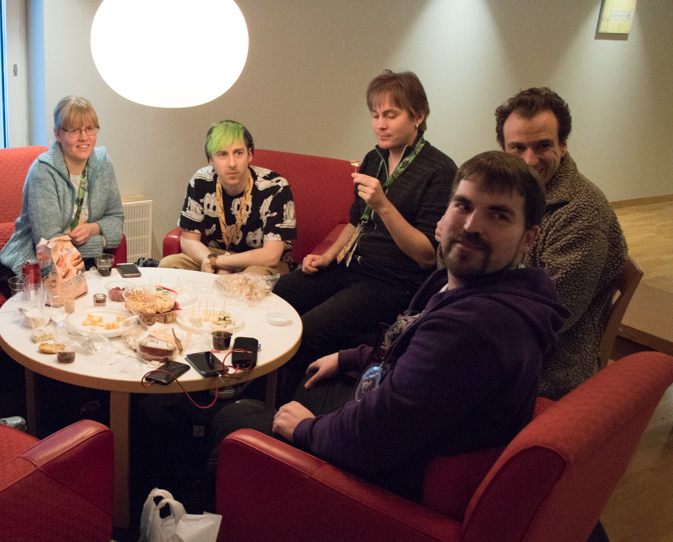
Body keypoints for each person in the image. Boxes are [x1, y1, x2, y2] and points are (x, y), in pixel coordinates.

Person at [212, 152, 567, 501]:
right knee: (303, 378)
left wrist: (306, 429)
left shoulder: (471, 330)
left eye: (499, 215)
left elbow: (372, 440)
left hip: (384, 483)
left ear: (529, 237)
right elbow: (412, 360)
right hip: (385, 418)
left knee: (236, 418)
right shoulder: (472, 288)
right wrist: (353, 357)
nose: (473, 226)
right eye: (463, 206)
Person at [272, 71, 456, 376]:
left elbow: (426, 255)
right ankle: (245, 389)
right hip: (351, 266)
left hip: (392, 282)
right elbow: (355, 222)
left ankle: (283, 407)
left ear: (418, 116)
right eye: (375, 115)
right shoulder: (374, 158)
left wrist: (383, 205)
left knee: (307, 330)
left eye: (391, 115)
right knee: (275, 298)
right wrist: (327, 256)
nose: (380, 125)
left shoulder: (440, 171)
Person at [495, 87, 628, 400]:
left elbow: (551, 314)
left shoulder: (584, 210)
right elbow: (453, 264)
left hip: (548, 368)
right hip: (497, 336)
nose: (529, 160)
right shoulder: (504, 193)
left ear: (564, 144)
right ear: (502, 148)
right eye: (517, 148)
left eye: (543, 146)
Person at [0, 96, 124, 290]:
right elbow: (49, 243)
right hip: (32, 265)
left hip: (81, 263)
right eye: (74, 131)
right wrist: (103, 242)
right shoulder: (43, 171)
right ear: (58, 134)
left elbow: (116, 219)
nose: (84, 137)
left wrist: (93, 229)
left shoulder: (103, 163)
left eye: (90, 129)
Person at [159, 120, 295, 276]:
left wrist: (221, 263)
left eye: (238, 153)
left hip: (261, 261)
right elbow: (188, 239)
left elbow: (271, 256)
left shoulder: (275, 186)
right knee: (168, 265)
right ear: (211, 160)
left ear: (249, 155)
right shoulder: (200, 180)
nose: (232, 163)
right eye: (222, 154)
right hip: (216, 254)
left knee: (247, 280)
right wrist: (209, 260)